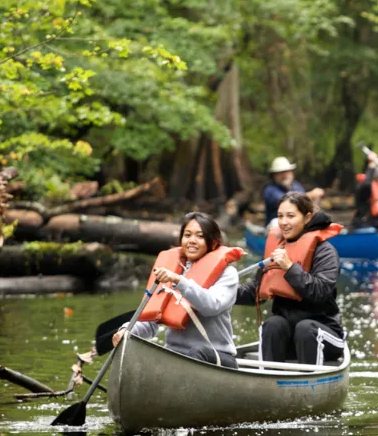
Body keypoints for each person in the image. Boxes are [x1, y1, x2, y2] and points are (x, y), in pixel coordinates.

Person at [111, 212, 243, 368]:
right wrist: (126, 331)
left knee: (197, 352)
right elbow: (150, 321)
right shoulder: (170, 270)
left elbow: (211, 306)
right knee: (141, 348)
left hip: (216, 357)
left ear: (213, 242)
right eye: (187, 235)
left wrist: (179, 281)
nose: (192, 240)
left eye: (200, 236)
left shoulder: (228, 274)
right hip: (176, 356)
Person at [236, 192, 346, 365]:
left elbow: (321, 293)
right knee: (273, 325)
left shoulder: (325, 252)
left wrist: (290, 267)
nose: (283, 222)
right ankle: (270, 379)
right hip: (290, 337)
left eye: (290, 216)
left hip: (323, 334)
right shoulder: (278, 247)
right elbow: (255, 292)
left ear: (307, 217)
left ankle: (310, 380)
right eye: (280, 216)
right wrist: (222, 292)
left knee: (305, 329)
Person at [263, 157, 325, 227]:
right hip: (276, 226)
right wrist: (310, 195)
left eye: (287, 171)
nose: (285, 175)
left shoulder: (296, 186)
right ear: (274, 176)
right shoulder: (270, 190)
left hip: (296, 224)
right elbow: (286, 202)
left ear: (291, 172)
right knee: (275, 223)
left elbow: (305, 205)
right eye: (281, 173)